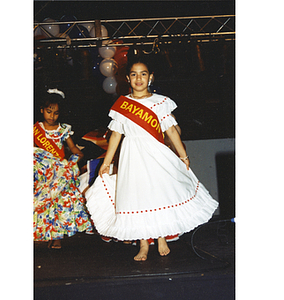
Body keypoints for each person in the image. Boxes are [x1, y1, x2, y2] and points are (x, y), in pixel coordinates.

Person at [85, 56, 218, 261]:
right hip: (132, 156)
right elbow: (116, 136)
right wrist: (106, 162)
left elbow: (172, 132)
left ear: (151, 77)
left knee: (158, 193)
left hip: (156, 154)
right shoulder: (123, 105)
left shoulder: (160, 102)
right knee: (136, 197)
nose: (139, 78)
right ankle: (143, 243)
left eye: (143, 74)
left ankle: (161, 236)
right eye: (134, 74)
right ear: (128, 79)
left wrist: (183, 155)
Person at [33, 88, 92, 249]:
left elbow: (73, 149)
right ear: (42, 110)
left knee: (57, 204)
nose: (52, 116)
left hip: (58, 173)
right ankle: (41, 233)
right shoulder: (35, 129)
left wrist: (76, 156)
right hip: (42, 174)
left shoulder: (63, 129)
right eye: (48, 112)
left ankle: (57, 237)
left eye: (56, 113)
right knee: (42, 202)